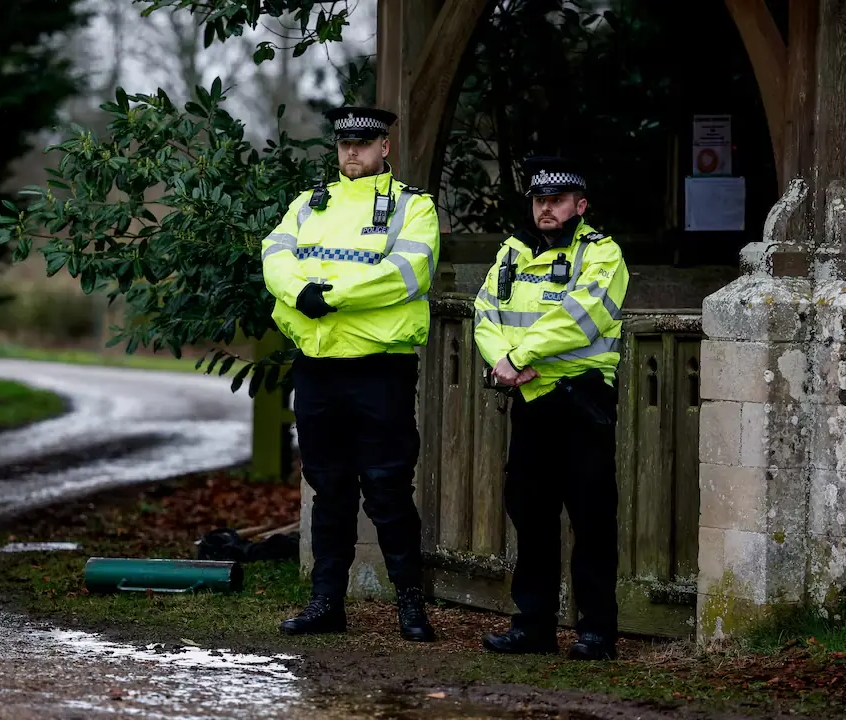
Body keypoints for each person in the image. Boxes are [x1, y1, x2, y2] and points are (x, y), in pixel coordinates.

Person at [259, 106, 440, 642]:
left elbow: (407, 274)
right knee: (327, 487)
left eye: (364, 143)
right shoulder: (306, 205)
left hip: (379, 368)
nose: (352, 152)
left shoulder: (414, 207)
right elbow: (275, 257)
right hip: (317, 367)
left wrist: (327, 297)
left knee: (387, 488)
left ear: (385, 147)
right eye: (345, 144)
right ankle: (325, 604)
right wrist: (299, 293)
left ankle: (410, 605)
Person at [472, 156, 628, 660]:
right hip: (530, 400)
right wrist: (501, 362)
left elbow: (579, 319)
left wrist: (516, 357)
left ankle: (597, 632)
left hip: (582, 400)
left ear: (580, 206)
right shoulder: (512, 254)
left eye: (557, 201)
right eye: (540, 200)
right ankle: (533, 626)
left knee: (592, 518)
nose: (546, 208)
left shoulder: (602, 254)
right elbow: (484, 312)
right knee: (531, 517)